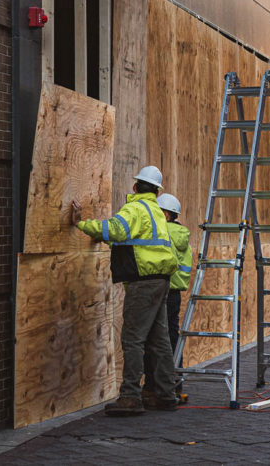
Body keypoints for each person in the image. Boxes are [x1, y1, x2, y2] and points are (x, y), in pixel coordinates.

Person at [71, 165, 179, 415]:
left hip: (143, 281)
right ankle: (165, 394)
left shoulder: (135, 208)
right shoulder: (156, 210)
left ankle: (130, 395)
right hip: (161, 280)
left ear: (135, 187)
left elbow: (113, 230)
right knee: (159, 340)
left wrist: (81, 224)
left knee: (132, 338)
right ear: (156, 190)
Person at [143, 192, 192, 405]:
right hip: (175, 293)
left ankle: (155, 386)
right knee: (172, 337)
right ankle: (175, 383)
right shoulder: (182, 235)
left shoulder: (164, 232)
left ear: (165, 214)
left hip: (160, 290)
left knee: (154, 339)